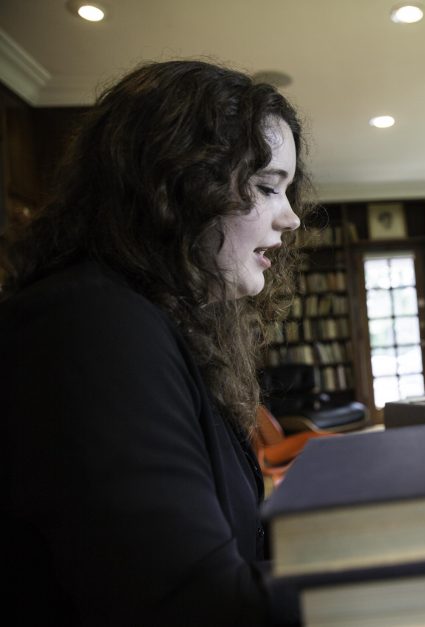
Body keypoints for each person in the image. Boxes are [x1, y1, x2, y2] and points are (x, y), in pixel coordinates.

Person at [0, 60, 309, 625]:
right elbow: (192, 605)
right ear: (178, 185)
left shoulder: (151, 319)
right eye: (267, 187)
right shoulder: (89, 323)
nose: (290, 218)